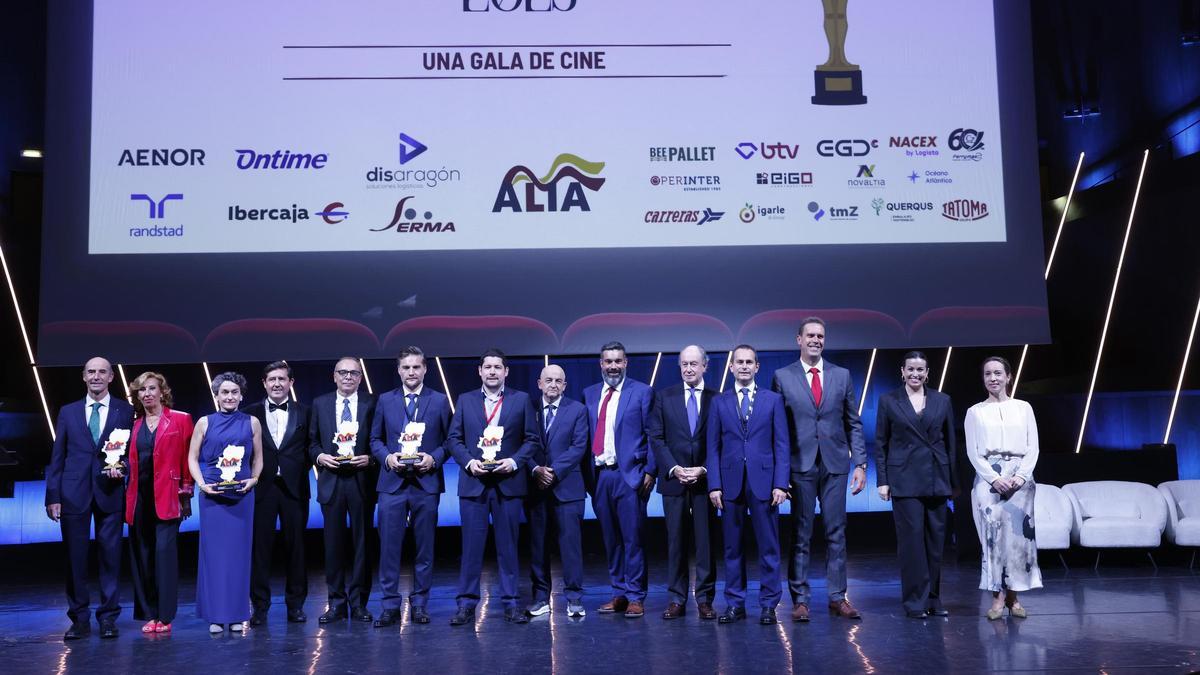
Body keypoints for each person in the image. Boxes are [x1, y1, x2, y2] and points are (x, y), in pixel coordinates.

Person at [771, 316, 868, 621]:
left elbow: (853, 421)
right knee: (801, 534)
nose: (815, 340)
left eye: (820, 336)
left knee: (836, 532)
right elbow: (779, 429)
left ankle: (838, 597)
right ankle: (800, 599)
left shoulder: (842, 375)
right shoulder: (782, 376)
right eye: (810, 335)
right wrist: (780, 473)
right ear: (798, 340)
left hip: (835, 464)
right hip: (799, 466)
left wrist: (861, 464)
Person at [447, 348, 541, 625]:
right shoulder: (464, 400)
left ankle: (511, 603)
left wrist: (514, 462)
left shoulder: (521, 399)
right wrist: (467, 463)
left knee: (508, 548)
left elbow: (531, 440)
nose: (492, 372)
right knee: (471, 548)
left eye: (497, 367)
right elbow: (454, 439)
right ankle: (466, 604)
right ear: (480, 371)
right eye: (487, 367)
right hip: (474, 482)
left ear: (505, 372)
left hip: (508, 484)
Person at [45, 356, 135, 641]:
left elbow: (131, 452)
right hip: (73, 494)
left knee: (111, 558)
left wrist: (124, 469)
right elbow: (57, 456)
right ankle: (79, 619)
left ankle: (108, 618)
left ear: (111, 377)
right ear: (84, 377)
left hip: (110, 492)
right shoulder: (68, 412)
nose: (96, 376)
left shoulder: (125, 410)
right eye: (91, 372)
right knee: (75, 559)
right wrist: (53, 495)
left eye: (102, 372)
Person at [707, 345, 790, 625]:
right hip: (729, 484)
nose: (743, 366)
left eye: (749, 362)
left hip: (765, 483)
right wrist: (714, 485)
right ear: (731, 367)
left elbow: (782, 444)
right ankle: (735, 604)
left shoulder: (773, 400)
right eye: (738, 362)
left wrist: (781, 483)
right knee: (732, 548)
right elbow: (713, 446)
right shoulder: (719, 402)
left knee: (769, 547)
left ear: (757, 367)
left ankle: (768, 605)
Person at [370, 346, 451, 627]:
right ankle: (390, 606)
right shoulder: (385, 400)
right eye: (406, 367)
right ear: (399, 370)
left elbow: (449, 441)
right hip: (391, 484)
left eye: (416, 367)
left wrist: (435, 458)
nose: (411, 372)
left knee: (424, 549)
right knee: (389, 549)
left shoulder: (439, 401)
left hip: (425, 483)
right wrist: (387, 457)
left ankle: (419, 604)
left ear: (425, 369)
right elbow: (374, 440)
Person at [874, 351, 957, 619]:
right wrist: (883, 481)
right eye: (911, 369)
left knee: (935, 543)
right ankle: (914, 601)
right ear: (902, 371)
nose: (915, 374)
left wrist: (953, 481)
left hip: (937, 478)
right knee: (911, 544)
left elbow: (951, 444)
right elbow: (881, 443)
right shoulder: (889, 400)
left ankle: (933, 598)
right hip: (904, 479)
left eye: (920, 370)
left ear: (927, 373)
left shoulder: (942, 400)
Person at [965, 356, 1042, 620]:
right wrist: (993, 478)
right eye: (988, 374)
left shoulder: (1024, 407)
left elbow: (1033, 446)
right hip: (989, 481)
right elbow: (973, 453)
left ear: (1009, 376)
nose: (993, 378)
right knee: (993, 541)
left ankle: (1015, 597)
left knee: (1018, 542)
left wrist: (1021, 476)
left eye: (998, 373)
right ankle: (998, 597)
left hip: (1021, 479)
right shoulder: (975, 412)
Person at [584, 341, 657, 618]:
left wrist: (650, 471)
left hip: (630, 476)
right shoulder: (589, 394)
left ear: (626, 363)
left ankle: (636, 595)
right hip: (601, 476)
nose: (613, 366)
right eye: (607, 361)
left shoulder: (642, 392)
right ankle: (619, 593)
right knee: (610, 540)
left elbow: (653, 434)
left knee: (633, 539)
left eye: (618, 361)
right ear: (601, 364)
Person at [188, 371, 263, 634]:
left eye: (234, 392)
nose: (229, 397)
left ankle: (236, 614)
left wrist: (254, 479)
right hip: (213, 497)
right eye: (224, 392)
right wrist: (201, 484)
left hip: (242, 496)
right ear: (216, 395)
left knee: (239, 557)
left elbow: (258, 458)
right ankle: (216, 616)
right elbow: (192, 457)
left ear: (241, 395)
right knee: (214, 556)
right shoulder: (204, 422)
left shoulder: (252, 422)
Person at [648, 345, 718, 620]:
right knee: (675, 542)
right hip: (674, 481)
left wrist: (703, 469)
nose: (688, 369)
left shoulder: (718, 398)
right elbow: (657, 437)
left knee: (705, 543)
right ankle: (677, 599)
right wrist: (674, 469)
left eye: (694, 364)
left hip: (705, 481)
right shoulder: (664, 397)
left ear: (705, 366)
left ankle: (704, 599)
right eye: (684, 364)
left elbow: (721, 440)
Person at [309, 357, 377, 624]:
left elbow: (379, 438)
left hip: (361, 479)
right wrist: (320, 457)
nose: (348, 377)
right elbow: (312, 441)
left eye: (354, 373)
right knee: (333, 545)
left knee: (363, 545)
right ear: (334, 376)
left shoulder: (373, 403)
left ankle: (359, 603)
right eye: (343, 372)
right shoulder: (320, 403)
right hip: (332, 480)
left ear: (360, 377)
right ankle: (336, 603)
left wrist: (370, 459)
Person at [125, 371, 194, 634]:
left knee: (164, 556)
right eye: (142, 390)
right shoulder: (135, 425)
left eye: (152, 388)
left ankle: (165, 615)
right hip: (138, 499)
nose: (147, 394)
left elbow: (187, 457)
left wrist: (187, 493)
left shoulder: (180, 419)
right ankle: (149, 614)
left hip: (168, 497)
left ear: (162, 392)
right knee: (143, 557)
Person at [245, 361, 311, 625]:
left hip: (295, 489)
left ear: (290, 383)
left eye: (282, 379)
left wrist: (295, 469)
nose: (276, 384)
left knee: (297, 549)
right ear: (264, 383)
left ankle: (295, 606)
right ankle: (259, 607)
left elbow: (311, 446)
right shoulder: (249, 413)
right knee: (260, 550)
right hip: (262, 488)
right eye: (271, 379)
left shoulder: (305, 412)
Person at [526, 364, 589, 618]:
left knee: (570, 547)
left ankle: (574, 599)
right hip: (535, 488)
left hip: (567, 487)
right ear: (539, 383)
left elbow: (579, 446)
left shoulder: (578, 410)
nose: (553, 384)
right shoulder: (527, 408)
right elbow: (520, 444)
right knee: (538, 547)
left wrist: (550, 471)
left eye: (558, 381)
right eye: (548, 380)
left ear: (564, 385)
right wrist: (534, 469)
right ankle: (541, 599)